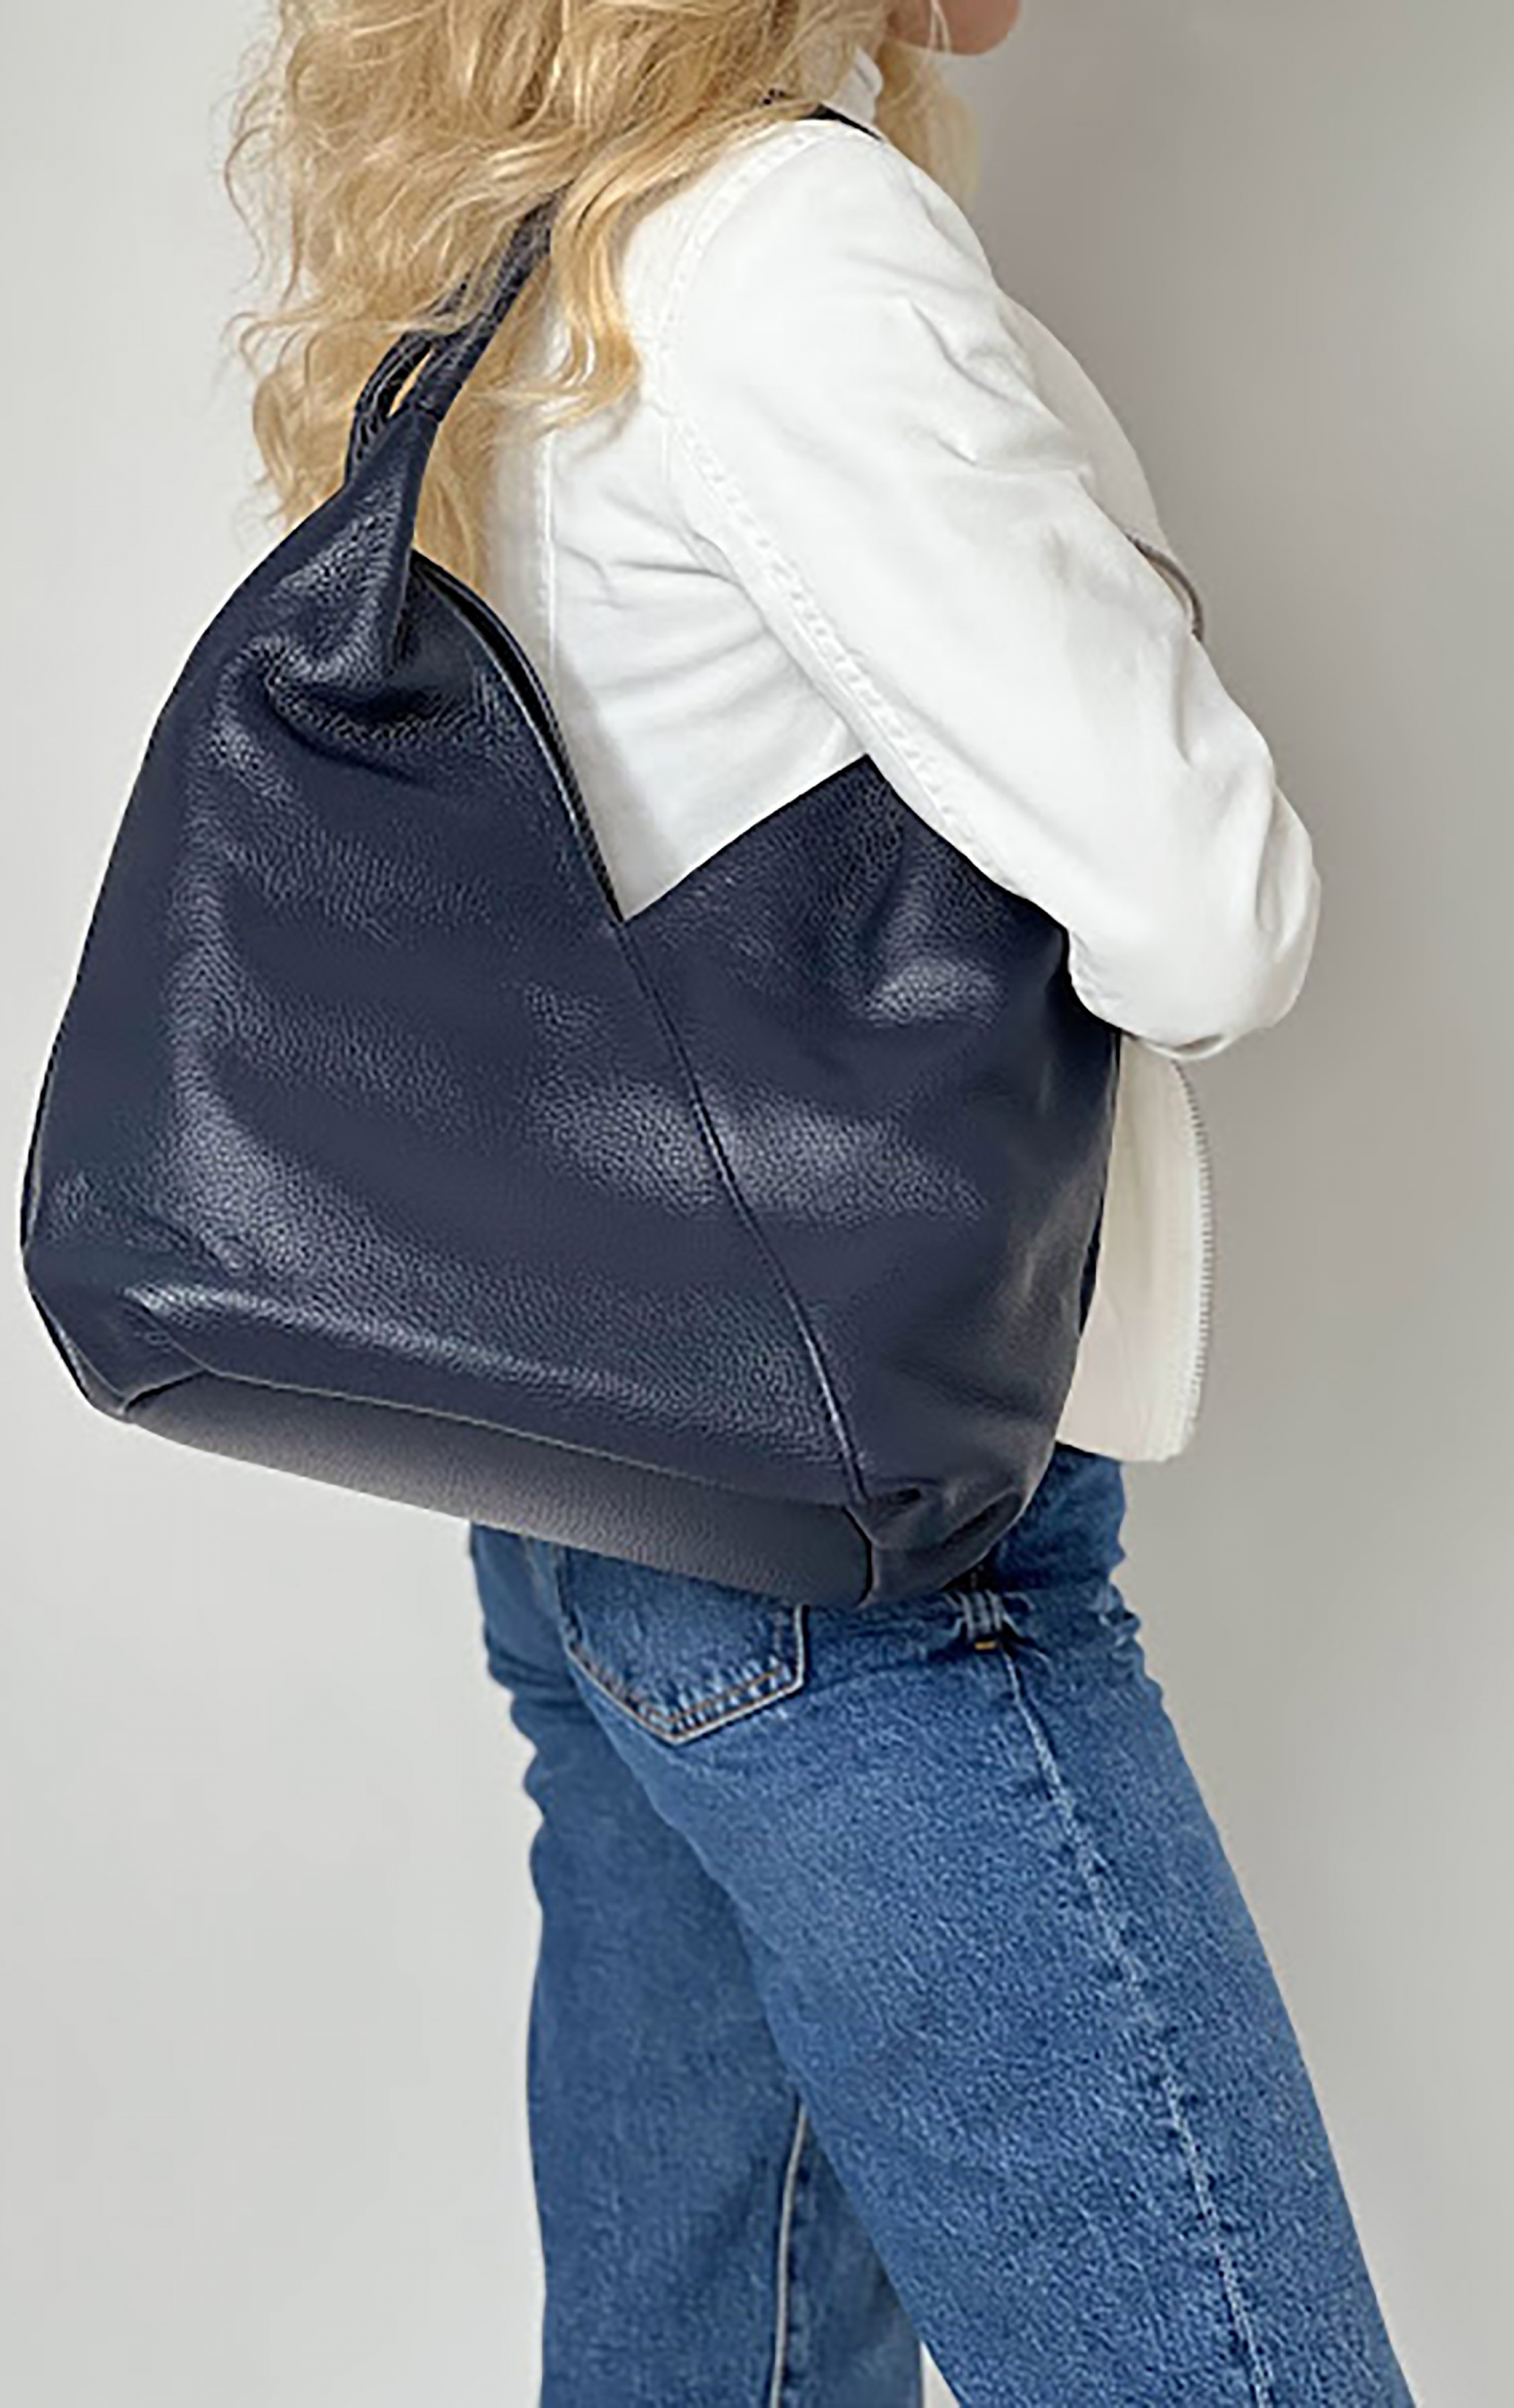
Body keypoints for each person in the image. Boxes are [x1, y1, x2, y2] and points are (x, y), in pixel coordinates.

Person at [227, 4, 1414, 2400]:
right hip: (862, 1548)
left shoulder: (535, 243)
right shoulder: (787, 245)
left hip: (597, 1493)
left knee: (701, 2361)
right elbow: (1210, 912)